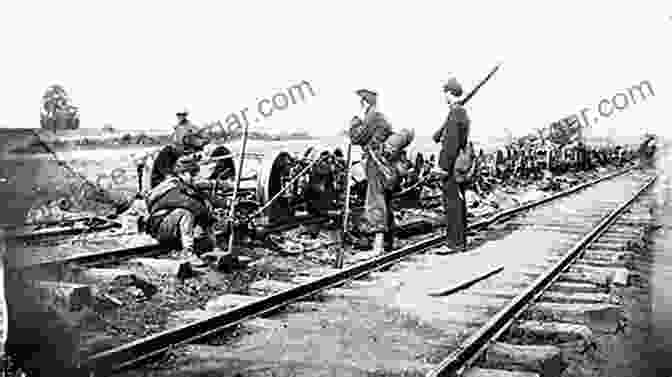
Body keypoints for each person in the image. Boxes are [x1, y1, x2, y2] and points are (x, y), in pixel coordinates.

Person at [145, 156, 237, 268]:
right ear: (182, 174)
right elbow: (192, 205)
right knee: (186, 213)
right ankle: (188, 253)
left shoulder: (185, 184)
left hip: (172, 227)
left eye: (195, 175)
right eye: (192, 175)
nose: (195, 178)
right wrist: (214, 218)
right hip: (160, 229)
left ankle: (213, 246)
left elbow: (206, 197)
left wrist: (228, 203)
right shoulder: (172, 189)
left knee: (202, 209)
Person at [432, 77, 471, 253]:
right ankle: (459, 241)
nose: (444, 97)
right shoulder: (460, 112)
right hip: (458, 165)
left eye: (445, 93)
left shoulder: (456, 113)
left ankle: (454, 243)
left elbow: (451, 144)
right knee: (458, 203)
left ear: (449, 93)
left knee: (453, 203)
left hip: (452, 166)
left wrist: (442, 167)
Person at [150, 108, 210, 189]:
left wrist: (196, 142)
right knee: (164, 153)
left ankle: (168, 175)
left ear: (185, 115)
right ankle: (165, 176)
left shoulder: (192, 126)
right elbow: (174, 141)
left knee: (167, 151)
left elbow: (206, 138)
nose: (179, 116)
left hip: (188, 151)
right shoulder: (177, 127)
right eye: (178, 115)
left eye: (181, 115)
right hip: (178, 151)